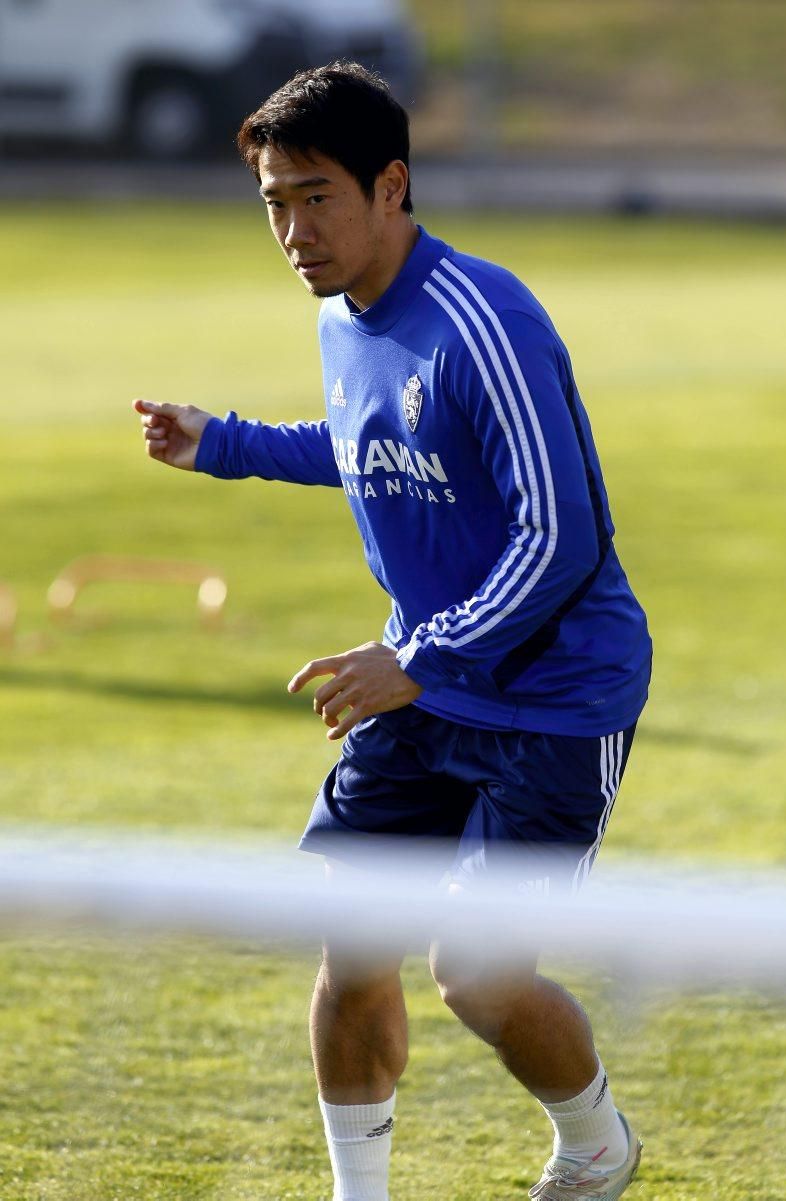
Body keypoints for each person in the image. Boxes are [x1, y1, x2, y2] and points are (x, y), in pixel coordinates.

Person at [134, 62, 651, 1201]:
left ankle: (597, 1142)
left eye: (316, 196)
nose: (291, 228)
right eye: (273, 200)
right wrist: (221, 441)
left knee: (473, 973)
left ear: (392, 185)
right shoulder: (341, 317)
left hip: (553, 694)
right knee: (350, 937)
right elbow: (368, 447)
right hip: (423, 684)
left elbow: (557, 536)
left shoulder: (484, 318)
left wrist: (413, 658)